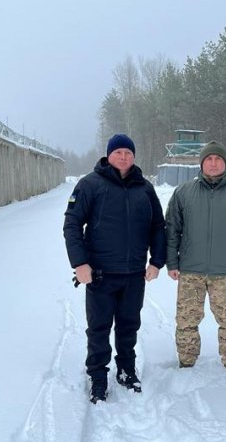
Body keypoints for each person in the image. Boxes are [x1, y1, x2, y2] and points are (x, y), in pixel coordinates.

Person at [63, 133, 166, 403]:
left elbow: (158, 226)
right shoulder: (90, 185)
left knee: (128, 326)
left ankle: (126, 369)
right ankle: (97, 375)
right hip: (100, 275)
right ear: (108, 155)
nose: (123, 157)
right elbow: (72, 224)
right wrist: (80, 263)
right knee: (99, 327)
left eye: (128, 153)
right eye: (118, 152)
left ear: (134, 156)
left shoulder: (144, 188)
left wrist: (156, 261)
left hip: (134, 275)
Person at [165, 141, 226, 370]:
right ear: (201, 163)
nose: (213, 163)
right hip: (190, 271)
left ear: (225, 163)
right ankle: (186, 362)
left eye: (217, 159)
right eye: (208, 159)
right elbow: (171, 231)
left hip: (225, 273)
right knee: (187, 321)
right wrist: (172, 262)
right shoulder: (183, 193)